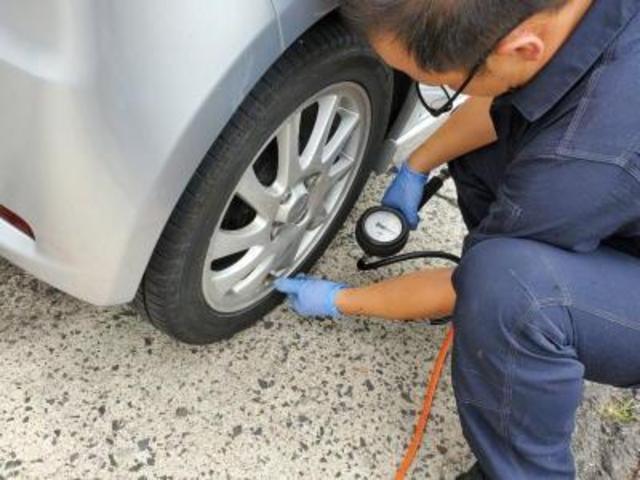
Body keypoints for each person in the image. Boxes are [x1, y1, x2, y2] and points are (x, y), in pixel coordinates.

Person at [275, 0, 640, 478]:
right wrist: (417, 165)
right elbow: (504, 107)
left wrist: (342, 299)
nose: (446, 93)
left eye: (447, 85)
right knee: (486, 159)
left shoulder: (579, 164)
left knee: (510, 293)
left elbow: (473, 283)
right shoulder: (565, 26)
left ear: (522, 46)